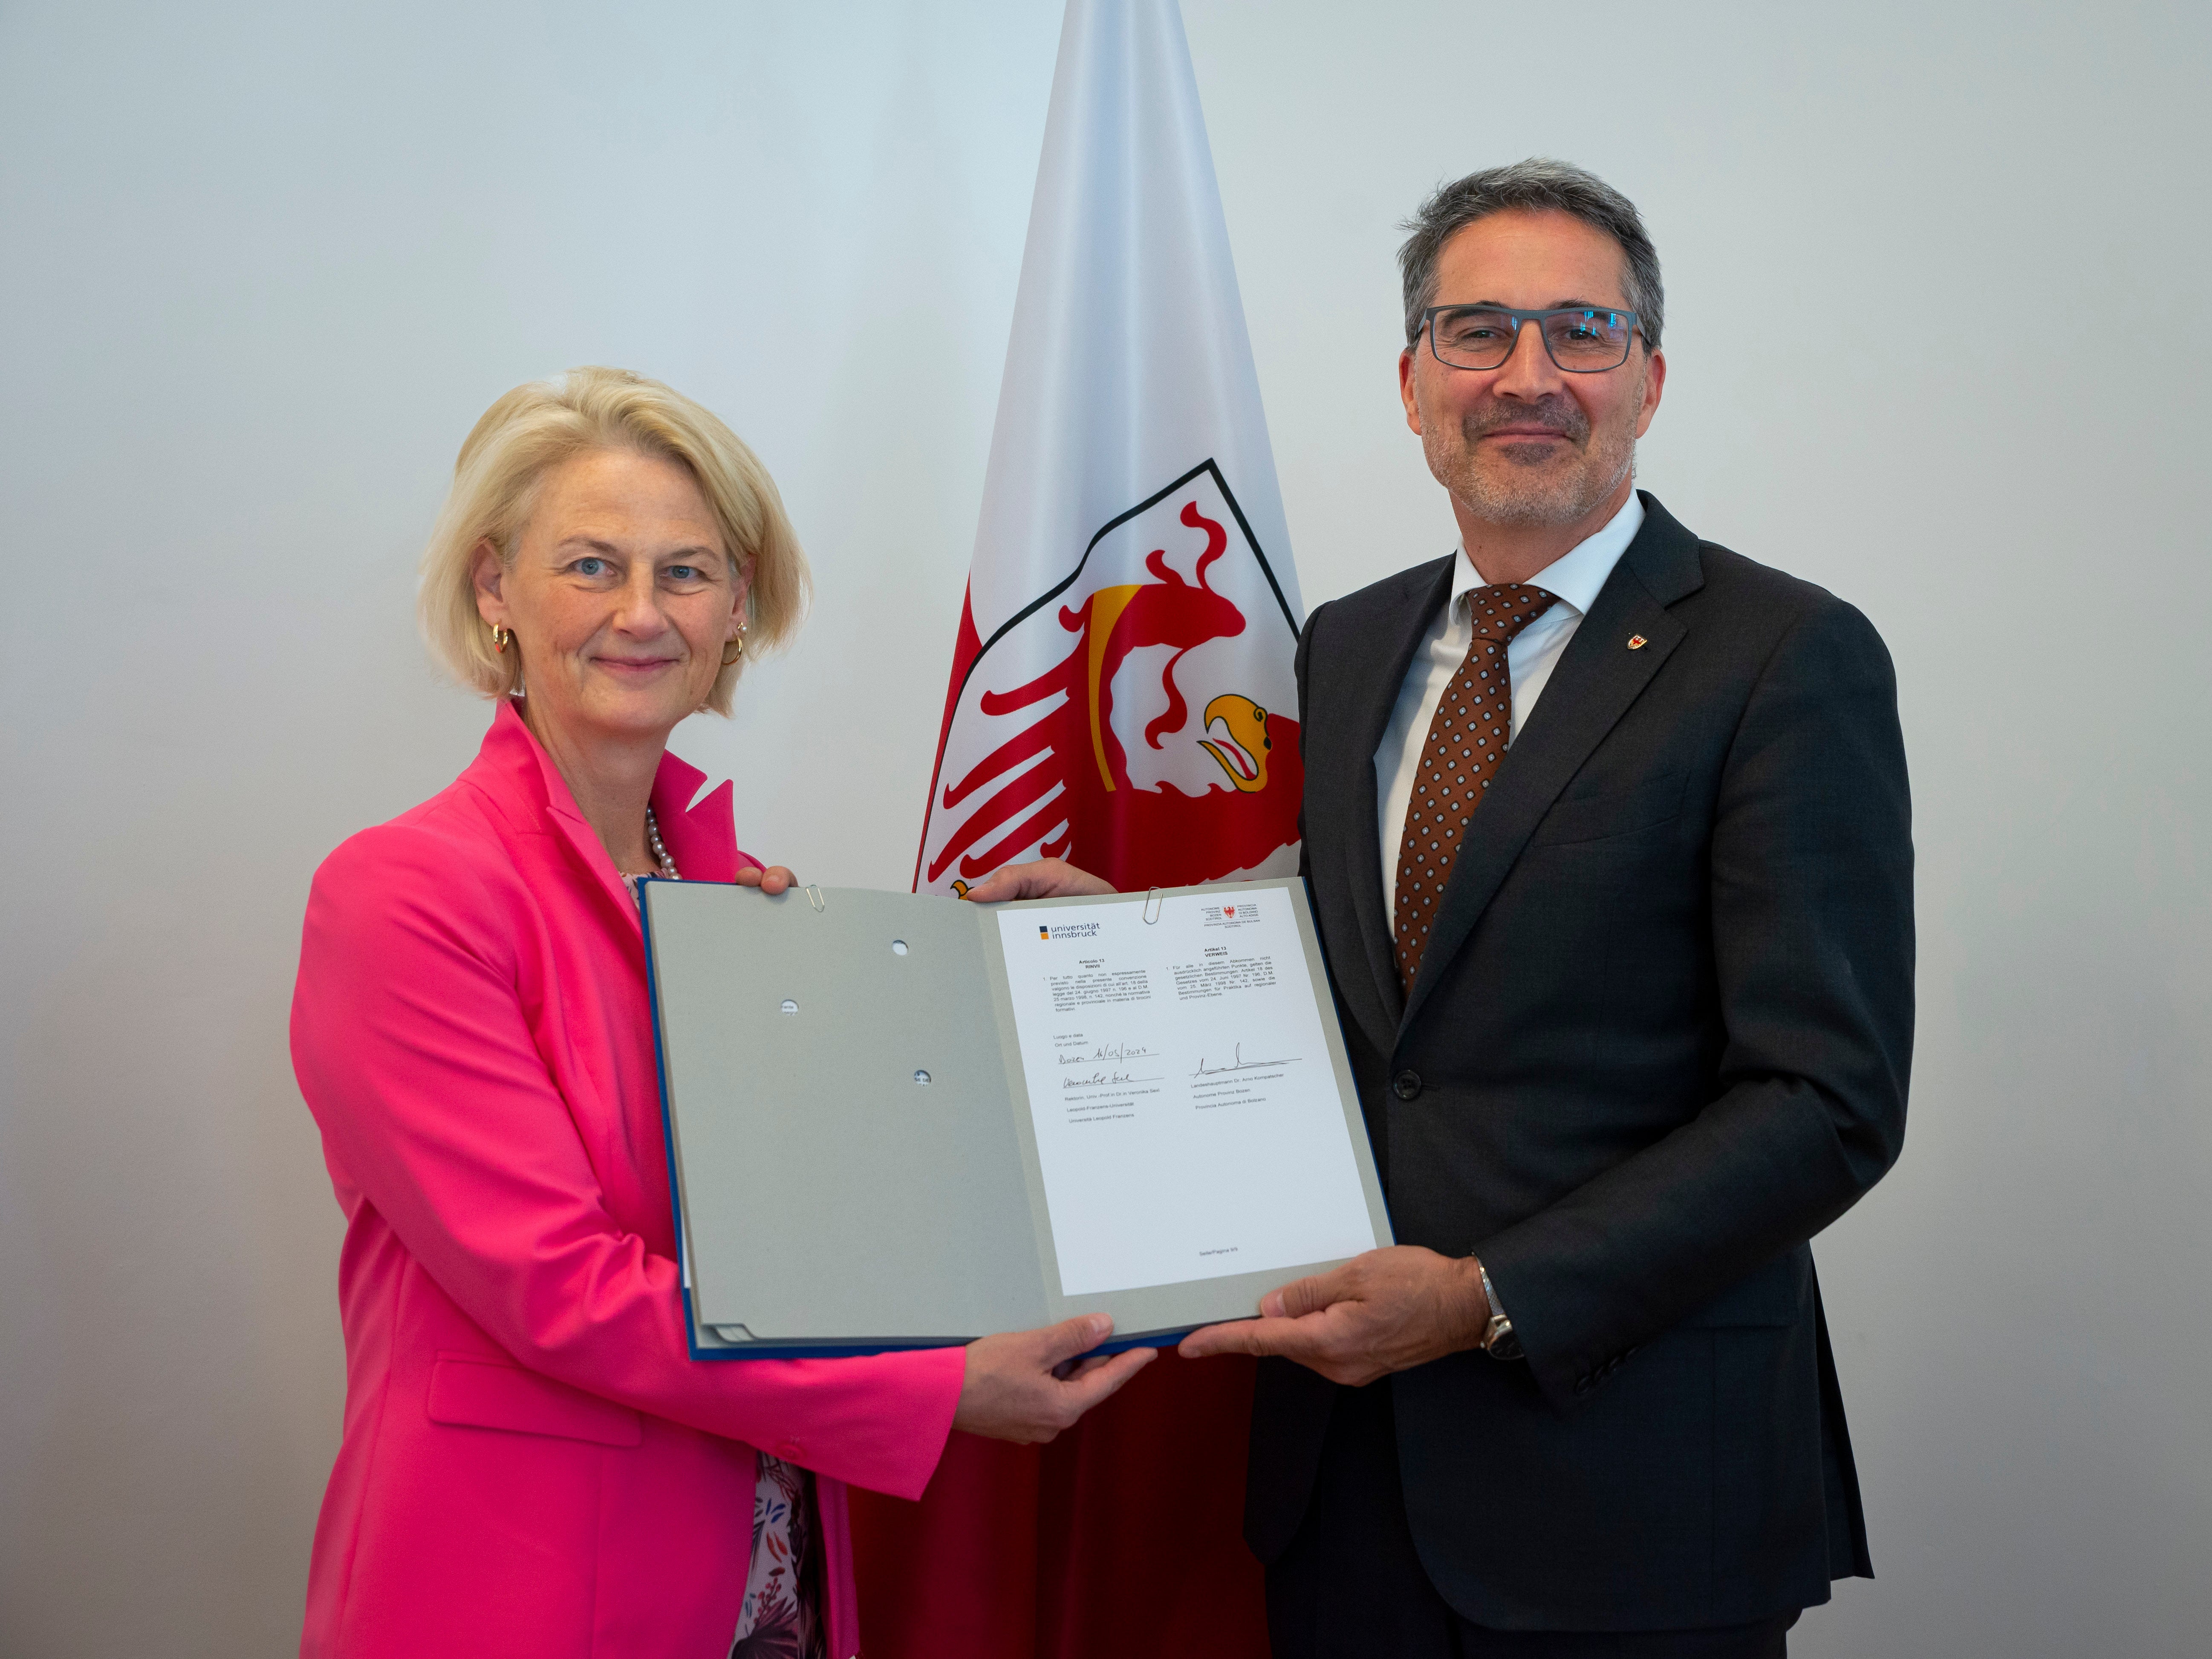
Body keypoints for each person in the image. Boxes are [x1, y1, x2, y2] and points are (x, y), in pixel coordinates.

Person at [987, 159, 1913, 1656]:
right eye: (1477, 332)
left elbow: (1826, 1100)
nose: (1528, 377)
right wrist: (1128, 941)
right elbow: (1383, 959)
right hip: (1343, 1480)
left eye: (1582, 332)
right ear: (1415, 384)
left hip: (1633, 1484)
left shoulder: (1783, 656)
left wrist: (1486, 1298)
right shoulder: (1350, 643)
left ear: (1651, 379)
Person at [289, 366, 1155, 1659]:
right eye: (591, 565)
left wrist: (1035, 990)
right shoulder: (406, 892)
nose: (641, 613)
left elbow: (833, 1231)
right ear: (494, 592)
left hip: (767, 1580)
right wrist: (929, 1392)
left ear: (738, 607)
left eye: (687, 573)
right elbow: (562, 1289)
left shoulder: (734, 904)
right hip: (518, 1587)